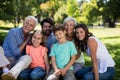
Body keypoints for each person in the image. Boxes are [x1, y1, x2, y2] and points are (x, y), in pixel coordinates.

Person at [2, 16, 38, 80]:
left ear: (33, 28)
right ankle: (6, 71)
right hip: (4, 60)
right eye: (27, 23)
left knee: (28, 58)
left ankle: (11, 74)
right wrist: (26, 41)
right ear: (23, 22)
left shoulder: (31, 37)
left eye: (31, 25)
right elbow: (15, 52)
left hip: (16, 64)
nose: (27, 26)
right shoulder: (13, 32)